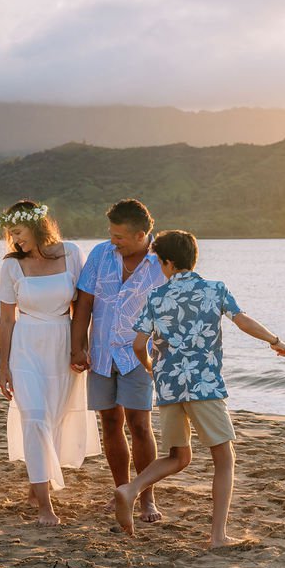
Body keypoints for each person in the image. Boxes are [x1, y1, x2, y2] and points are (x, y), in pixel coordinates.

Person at [114, 230, 285, 547]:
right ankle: (218, 536)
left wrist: (151, 368)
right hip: (204, 385)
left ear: (168, 263)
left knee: (178, 456)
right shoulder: (214, 290)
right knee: (224, 458)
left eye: (159, 262)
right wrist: (275, 342)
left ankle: (130, 489)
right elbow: (243, 321)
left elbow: (138, 343)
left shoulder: (156, 297)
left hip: (169, 386)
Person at [0, 200, 101, 526]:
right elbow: (6, 320)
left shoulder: (71, 253)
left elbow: (82, 307)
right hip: (26, 346)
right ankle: (45, 506)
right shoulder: (11, 266)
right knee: (37, 419)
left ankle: (36, 484)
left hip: (61, 344)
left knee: (54, 420)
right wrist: (4, 367)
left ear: (37, 226)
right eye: (11, 234)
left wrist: (81, 348)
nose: (15, 240)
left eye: (19, 232)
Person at [71, 199, 166, 523]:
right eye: (111, 234)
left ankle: (146, 497)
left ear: (141, 235)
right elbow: (84, 302)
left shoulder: (161, 262)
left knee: (140, 426)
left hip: (140, 357)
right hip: (100, 353)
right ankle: (121, 489)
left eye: (120, 236)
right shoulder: (100, 254)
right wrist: (78, 346)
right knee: (110, 424)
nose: (114, 241)